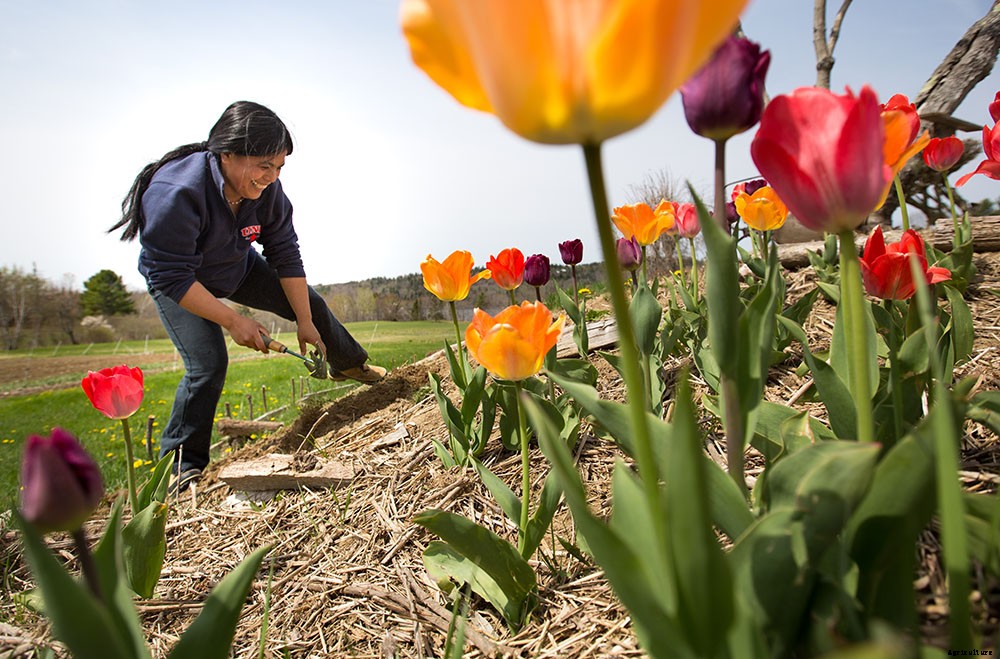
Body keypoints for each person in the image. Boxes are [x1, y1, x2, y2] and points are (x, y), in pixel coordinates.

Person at [110, 100, 385, 492]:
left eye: (279, 168)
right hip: (182, 285)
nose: (271, 177)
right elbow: (171, 274)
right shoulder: (176, 193)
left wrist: (304, 321)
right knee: (207, 365)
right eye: (263, 166)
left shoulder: (266, 190)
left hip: (235, 267)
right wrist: (233, 320)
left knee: (311, 304)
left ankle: (349, 364)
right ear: (227, 154)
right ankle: (181, 467)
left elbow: (285, 251)